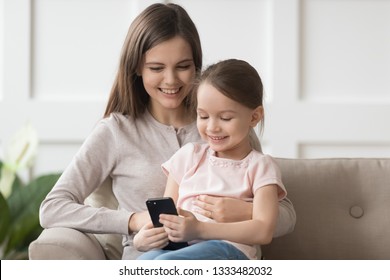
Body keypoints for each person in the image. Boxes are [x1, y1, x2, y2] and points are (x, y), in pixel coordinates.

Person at [39, 3, 295, 260]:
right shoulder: (116, 131)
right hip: (150, 258)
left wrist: (240, 211)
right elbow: (53, 208)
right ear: (137, 67)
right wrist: (133, 221)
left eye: (183, 66)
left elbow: (286, 216)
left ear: (197, 66)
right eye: (156, 68)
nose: (171, 80)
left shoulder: (226, 127)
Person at [136, 59, 286, 260]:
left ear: (254, 117)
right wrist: (143, 239)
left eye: (225, 118)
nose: (212, 127)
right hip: (180, 249)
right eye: (203, 116)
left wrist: (200, 230)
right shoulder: (188, 157)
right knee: (144, 261)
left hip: (229, 251)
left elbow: (263, 230)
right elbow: (169, 217)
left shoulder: (261, 166)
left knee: (165, 263)